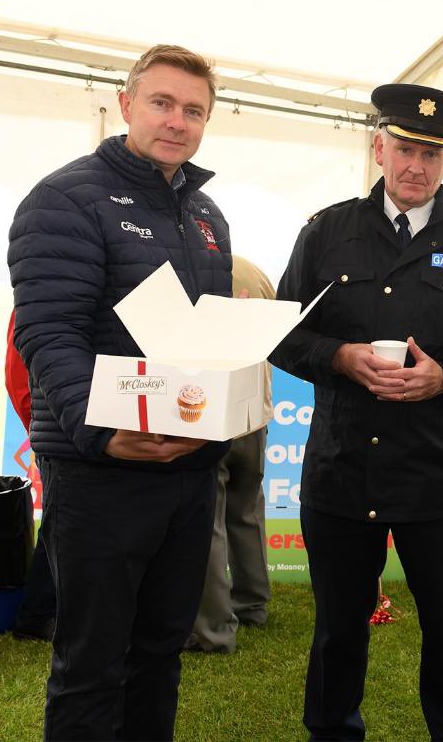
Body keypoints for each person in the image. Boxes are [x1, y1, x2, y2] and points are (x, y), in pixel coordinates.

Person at [270, 83, 443, 740]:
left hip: (439, 475)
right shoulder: (326, 232)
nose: (416, 165)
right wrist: (339, 357)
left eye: (432, 153)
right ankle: (332, 730)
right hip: (341, 469)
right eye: (405, 148)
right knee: (338, 624)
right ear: (378, 147)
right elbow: (281, 333)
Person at [8, 44, 231, 739]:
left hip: (188, 467)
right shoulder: (65, 197)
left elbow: (209, 342)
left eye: (194, 110)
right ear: (126, 103)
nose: (178, 121)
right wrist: (103, 430)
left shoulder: (207, 217)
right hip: (99, 470)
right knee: (92, 661)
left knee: (160, 651)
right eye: (163, 103)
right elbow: (48, 333)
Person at [186, 255, 274, 652]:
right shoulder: (254, 271)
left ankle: (214, 628)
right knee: (247, 508)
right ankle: (253, 603)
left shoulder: (187, 272)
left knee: (210, 522)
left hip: (208, 413)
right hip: (254, 411)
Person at [5, 310, 56, 642]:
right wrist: (37, 430)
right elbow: (16, 375)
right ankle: (36, 616)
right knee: (59, 526)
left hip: (58, 429)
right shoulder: (37, 296)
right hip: (58, 433)